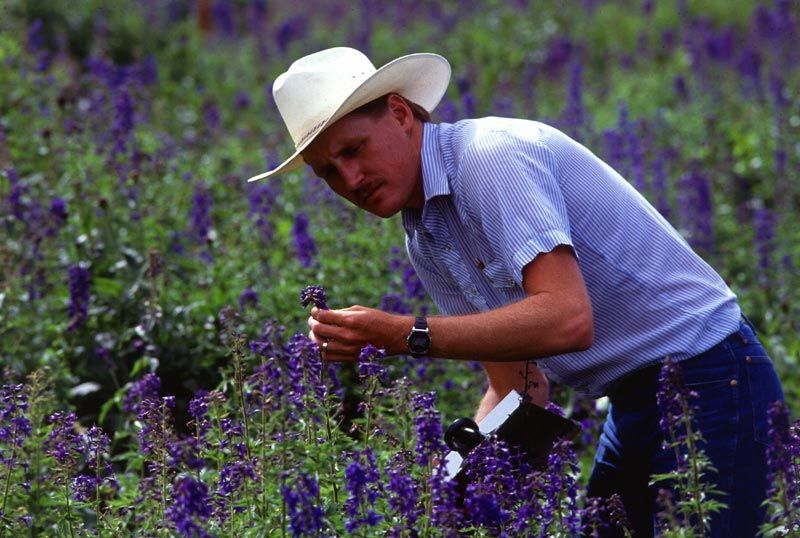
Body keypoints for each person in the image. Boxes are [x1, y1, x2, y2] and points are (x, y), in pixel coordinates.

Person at [246, 47, 784, 537]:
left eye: (354, 149)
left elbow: (569, 320)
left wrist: (399, 334)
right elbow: (519, 388)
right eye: (329, 173)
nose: (351, 178)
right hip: (630, 400)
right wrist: (447, 486)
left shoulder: (489, 158)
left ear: (400, 113)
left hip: (713, 378)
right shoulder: (425, 235)